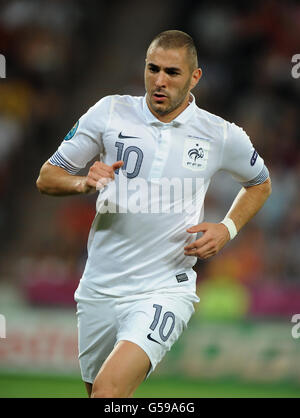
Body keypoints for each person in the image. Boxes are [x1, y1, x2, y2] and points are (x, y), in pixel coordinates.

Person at [36, 30, 272, 398]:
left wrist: (227, 229)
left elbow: (260, 183)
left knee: (107, 393)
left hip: (163, 288)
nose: (159, 81)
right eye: (153, 69)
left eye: (172, 72)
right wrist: (81, 183)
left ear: (195, 77)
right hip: (99, 286)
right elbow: (47, 177)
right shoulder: (110, 112)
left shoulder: (220, 134)